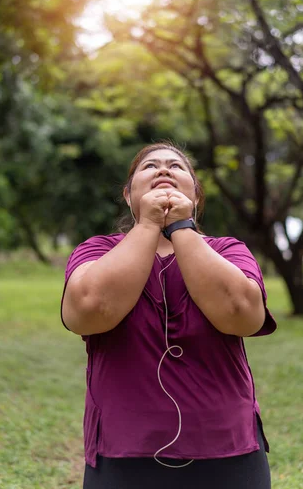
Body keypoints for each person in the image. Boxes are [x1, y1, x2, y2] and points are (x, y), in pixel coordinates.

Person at [61, 141, 277, 489]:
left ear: (196, 195)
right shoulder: (98, 250)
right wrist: (147, 226)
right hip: (122, 450)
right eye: (150, 166)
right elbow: (88, 310)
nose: (163, 170)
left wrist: (181, 228)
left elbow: (242, 314)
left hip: (228, 450)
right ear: (129, 195)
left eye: (176, 167)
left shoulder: (228, 251)